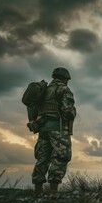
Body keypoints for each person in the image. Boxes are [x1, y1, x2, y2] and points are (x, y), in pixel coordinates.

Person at [32, 67, 76, 195]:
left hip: (43, 128)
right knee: (61, 156)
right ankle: (53, 191)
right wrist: (73, 112)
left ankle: (38, 191)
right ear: (65, 78)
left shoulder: (44, 90)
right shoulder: (63, 89)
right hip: (58, 128)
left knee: (42, 158)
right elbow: (68, 111)